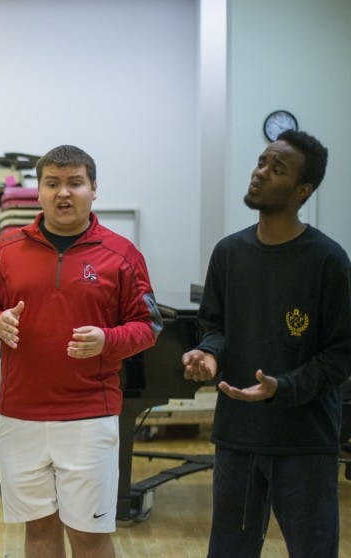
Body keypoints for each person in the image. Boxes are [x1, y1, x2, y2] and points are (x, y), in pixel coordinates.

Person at [0, 145, 161, 558]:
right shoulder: (6, 250)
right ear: (39, 191)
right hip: (20, 415)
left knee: (89, 537)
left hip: (89, 416)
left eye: (74, 183)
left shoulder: (121, 254)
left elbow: (148, 327)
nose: (63, 193)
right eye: (52, 183)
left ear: (93, 189)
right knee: (38, 531)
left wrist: (108, 341)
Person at [182, 130, 351, 558]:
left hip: (305, 442)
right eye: (261, 162)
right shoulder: (229, 253)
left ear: (302, 190)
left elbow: (342, 353)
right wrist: (209, 354)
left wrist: (284, 387)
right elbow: (214, 326)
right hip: (238, 438)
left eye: (277, 170)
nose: (260, 173)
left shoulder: (328, 261)